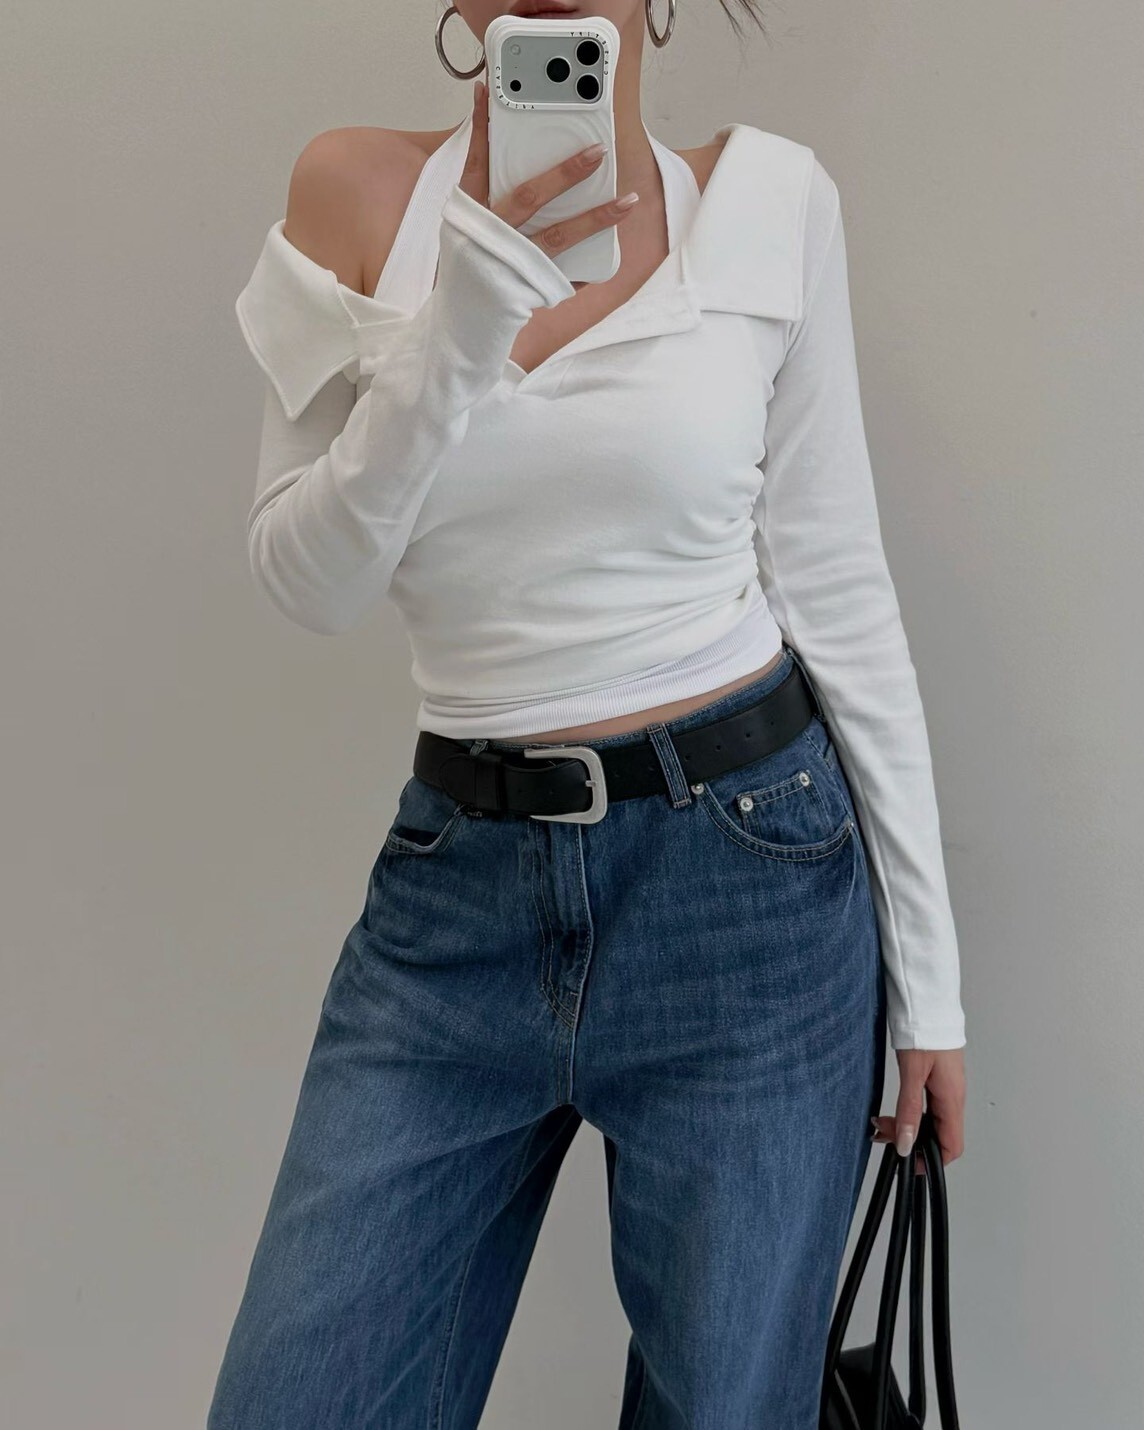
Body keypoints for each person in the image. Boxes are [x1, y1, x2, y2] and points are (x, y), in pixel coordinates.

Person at [209, 1, 967, 1425]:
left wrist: (931, 983)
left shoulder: (771, 201)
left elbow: (837, 587)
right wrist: (465, 312)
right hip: (458, 908)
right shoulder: (352, 194)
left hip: (748, 887)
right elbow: (309, 582)